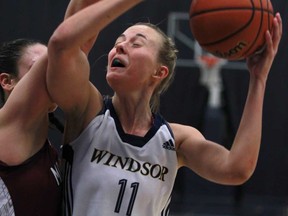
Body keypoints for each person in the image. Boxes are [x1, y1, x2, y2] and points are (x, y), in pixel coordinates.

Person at [46, 0, 282, 215]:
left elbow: (237, 169)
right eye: (118, 42)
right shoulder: (88, 111)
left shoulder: (175, 140)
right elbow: (62, 45)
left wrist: (258, 79)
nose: (119, 47)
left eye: (136, 43)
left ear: (159, 72)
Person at [0, 0, 102, 215]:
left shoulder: (52, 154)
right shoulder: (6, 126)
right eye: (39, 68)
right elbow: (67, 41)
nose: (52, 74)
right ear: (7, 81)